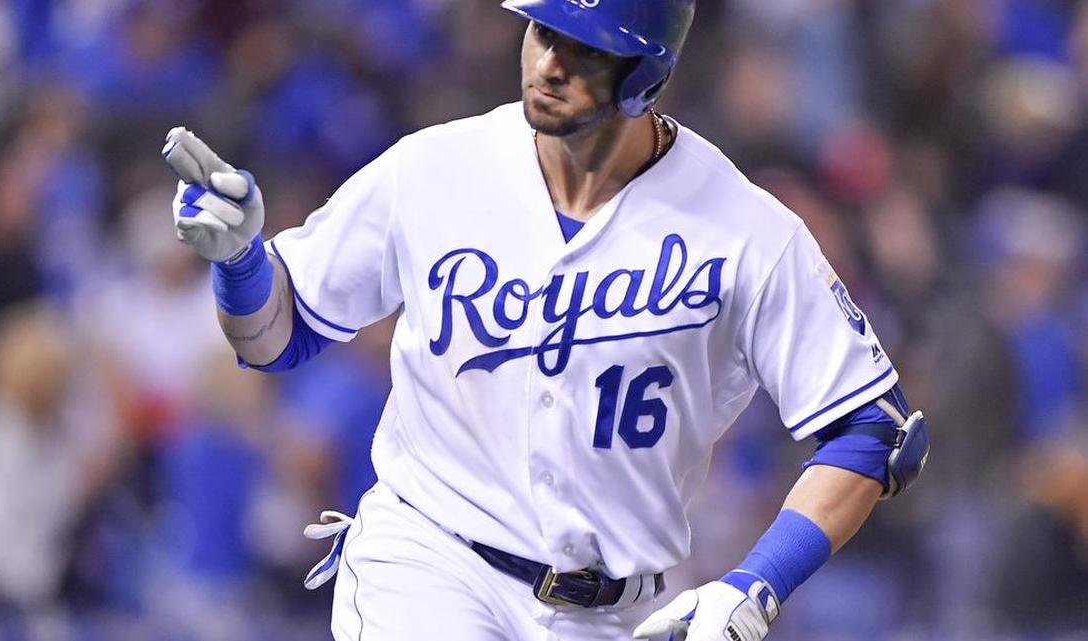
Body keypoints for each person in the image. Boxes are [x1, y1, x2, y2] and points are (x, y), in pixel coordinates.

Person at [161, 1, 929, 639]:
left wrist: (758, 583)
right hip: (431, 561)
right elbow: (277, 337)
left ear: (646, 73)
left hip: (620, 609)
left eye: (584, 48)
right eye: (543, 31)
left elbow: (875, 428)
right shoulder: (434, 168)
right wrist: (241, 264)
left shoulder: (743, 229)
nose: (548, 62)